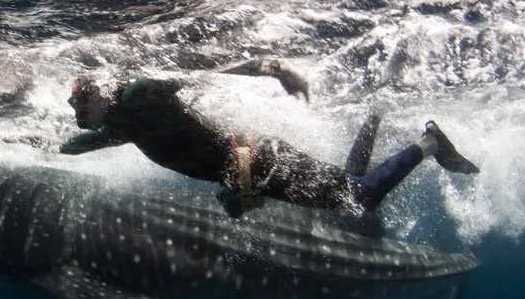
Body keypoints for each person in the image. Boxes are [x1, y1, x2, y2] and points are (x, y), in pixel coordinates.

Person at [61, 59, 479, 216]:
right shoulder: (119, 127)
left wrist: (275, 69)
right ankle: (375, 113)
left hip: (257, 158)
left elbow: (210, 70)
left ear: (101, 89)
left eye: (79, 97)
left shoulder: (139, 93)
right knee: (345, 188)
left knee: (359, 200)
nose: (71, 104)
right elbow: (70, 147)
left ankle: (431, 142)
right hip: (247, 172)